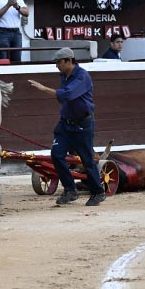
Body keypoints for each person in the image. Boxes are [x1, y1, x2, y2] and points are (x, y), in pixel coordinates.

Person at [28, 47, 107, 207]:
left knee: (87, 160)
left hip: (82, 124)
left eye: (59, 62)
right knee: (56, 155)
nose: (56, 65)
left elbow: (69, 94)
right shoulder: (64, 75)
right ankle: (70, 190)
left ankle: (98, 192)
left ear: (69, 61)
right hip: (66, 123)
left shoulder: (82, 75)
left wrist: (44, 89)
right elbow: (64, 97)